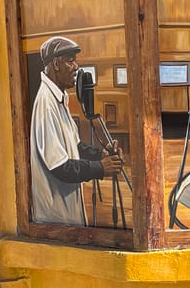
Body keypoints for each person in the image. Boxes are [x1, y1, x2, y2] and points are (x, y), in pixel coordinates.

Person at [30, 36, 125, 226]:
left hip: (66, 212)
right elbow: (60, 167)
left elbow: (76, 146)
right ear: (56, 64)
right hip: (56, 217)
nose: (76, 67)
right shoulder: (46, 105)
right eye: (70, 61)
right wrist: (101, 167)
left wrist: (101, 154)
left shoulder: (59, 99)